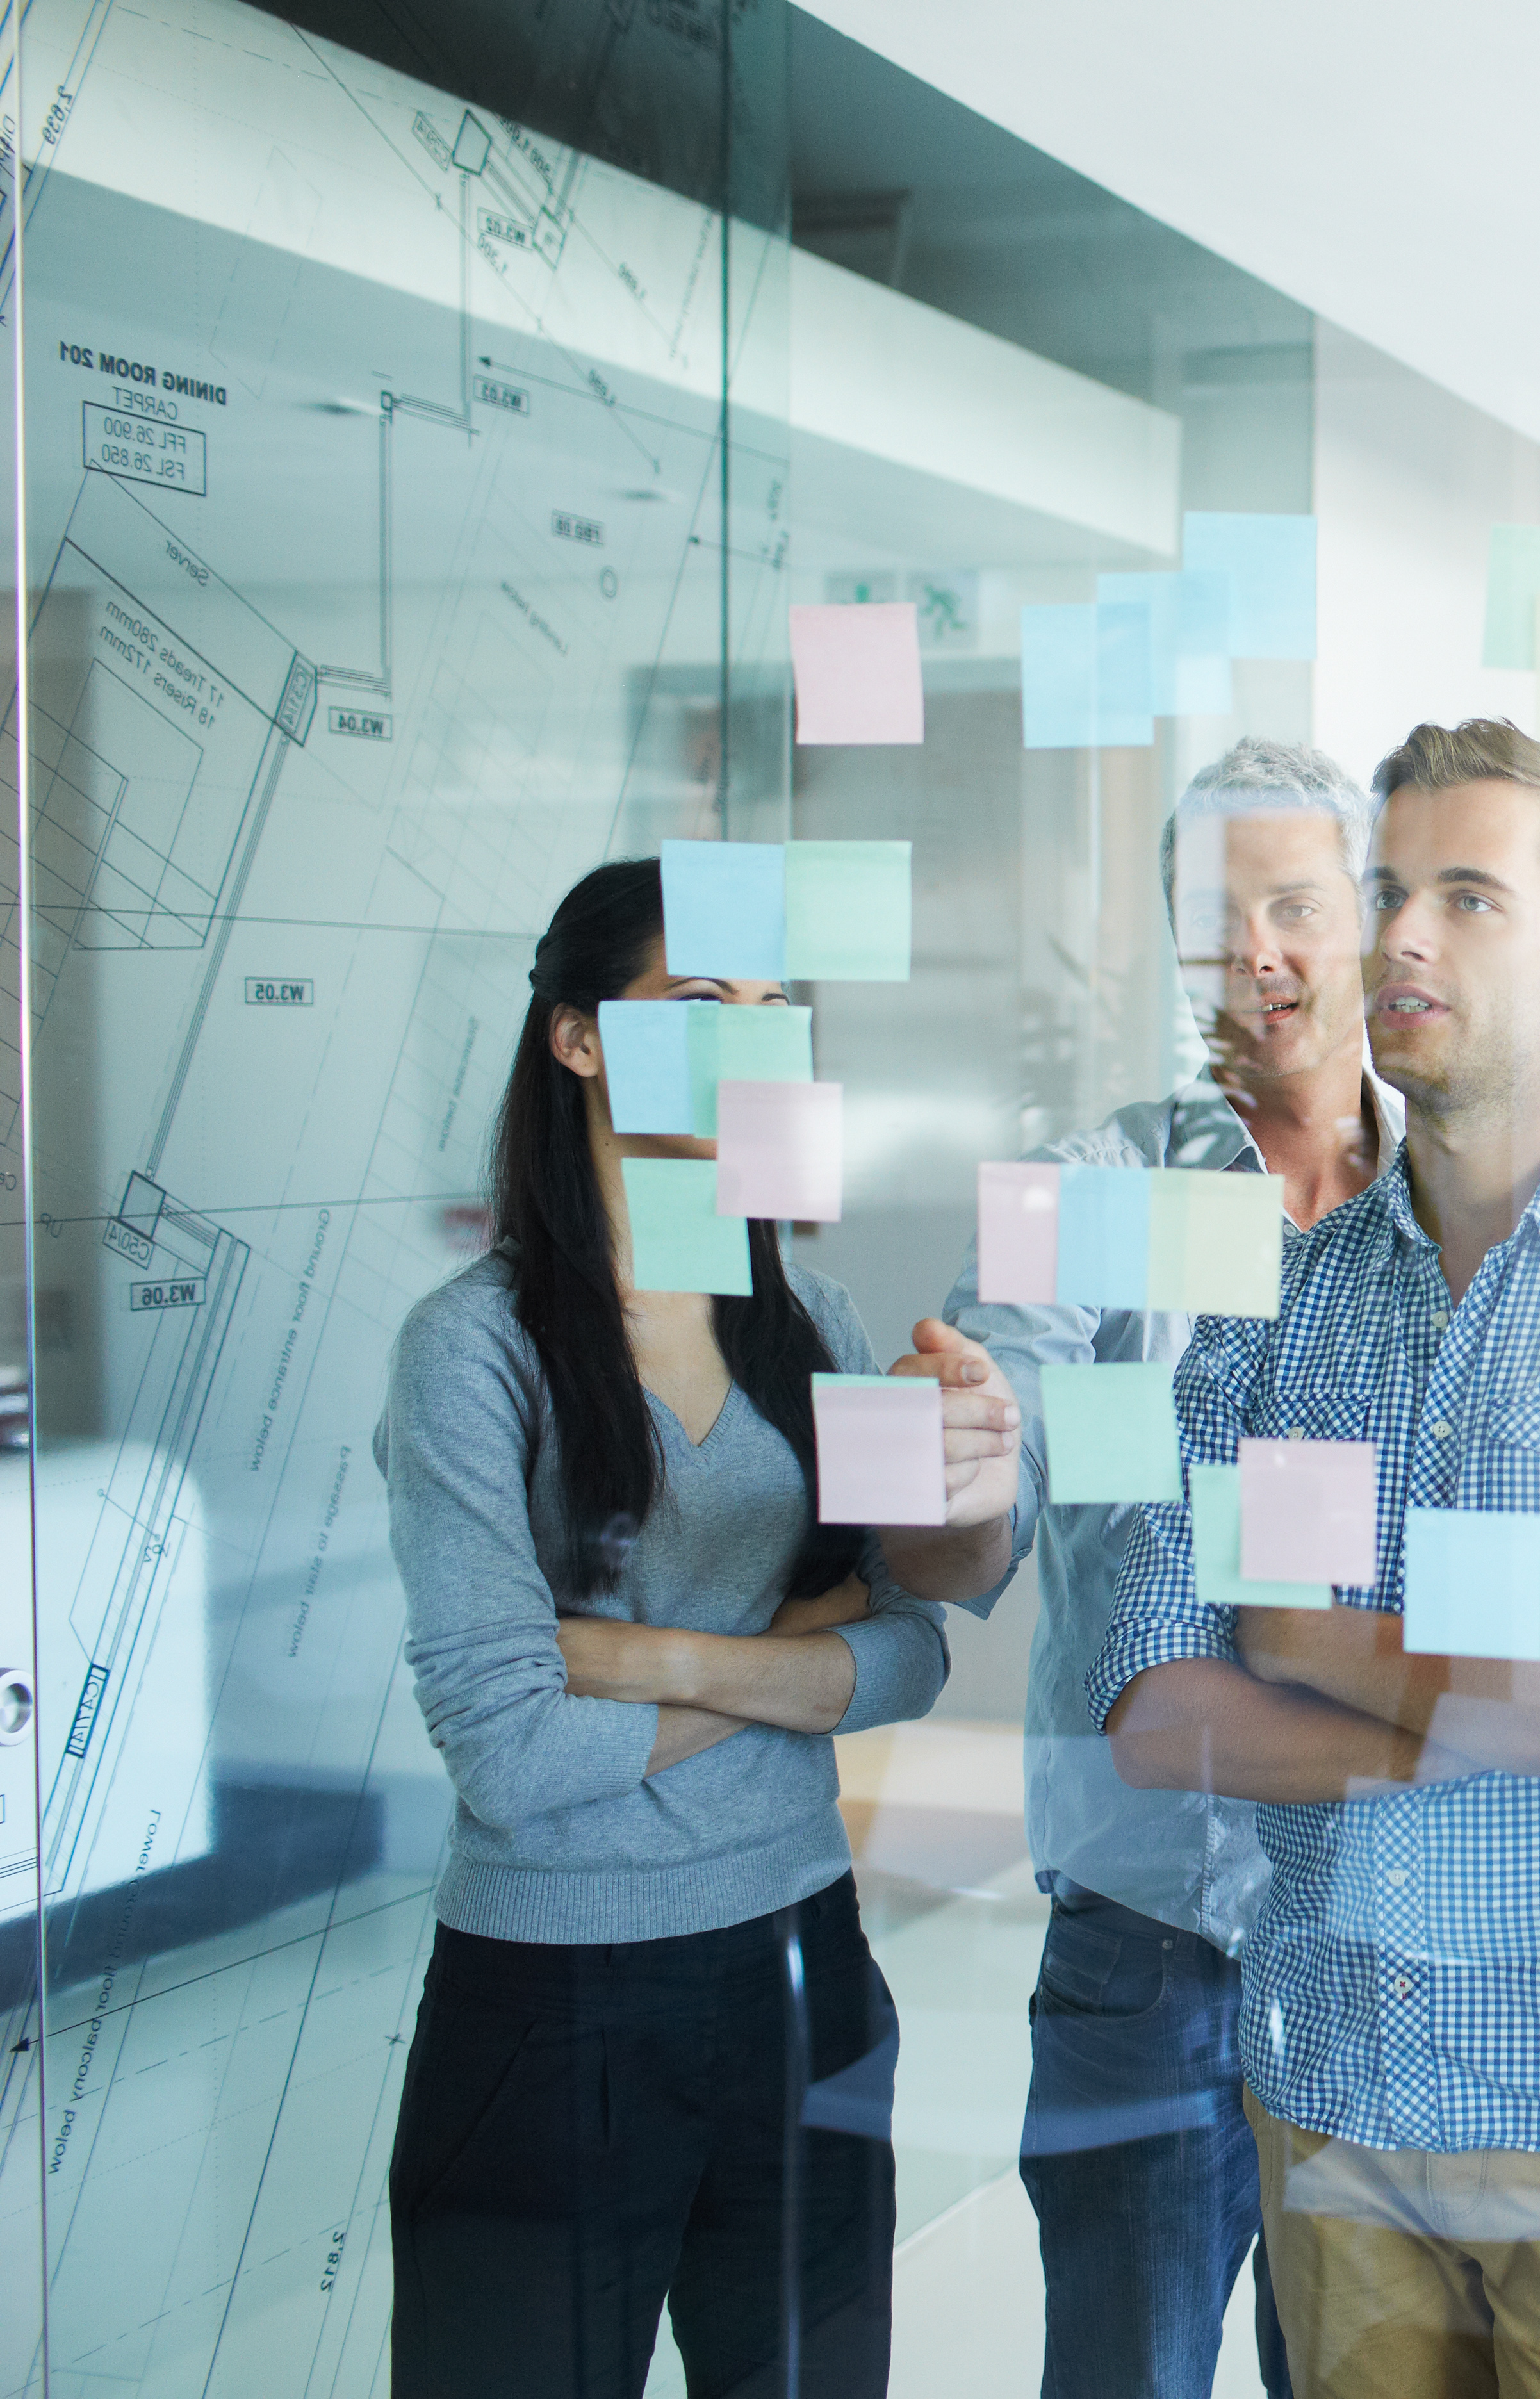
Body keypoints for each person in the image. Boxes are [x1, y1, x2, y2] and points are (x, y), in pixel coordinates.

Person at [1095, 719, 1540, 2399]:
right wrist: (1501, 1680)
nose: (1399, 936)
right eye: (1391, 890)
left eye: (1469, 898)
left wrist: (1315, 1639)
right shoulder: (1281, 1296)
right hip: (1335, 2091)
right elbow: (1157, 1707)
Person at [375, 856, 1017, 2397]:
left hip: (801, 1968)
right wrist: (802, 1659)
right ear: (580, 1038)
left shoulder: (816, 1324)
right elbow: (514, 1754)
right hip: (552, 2004)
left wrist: (631, 1655)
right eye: (698, 1003)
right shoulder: (471, 1352)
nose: (749, 1043)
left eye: (774, 1006)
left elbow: (920, 1651)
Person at [917, 739, 1387, 2399]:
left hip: (1391, 1948)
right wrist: (964, 1451)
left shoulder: (1461, 1203)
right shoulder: (1087, 1189)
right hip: (1150, 1940)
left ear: (1369, 917)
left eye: (1294, 903)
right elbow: (986, 1488)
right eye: (1213, 912)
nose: (1255, 948)